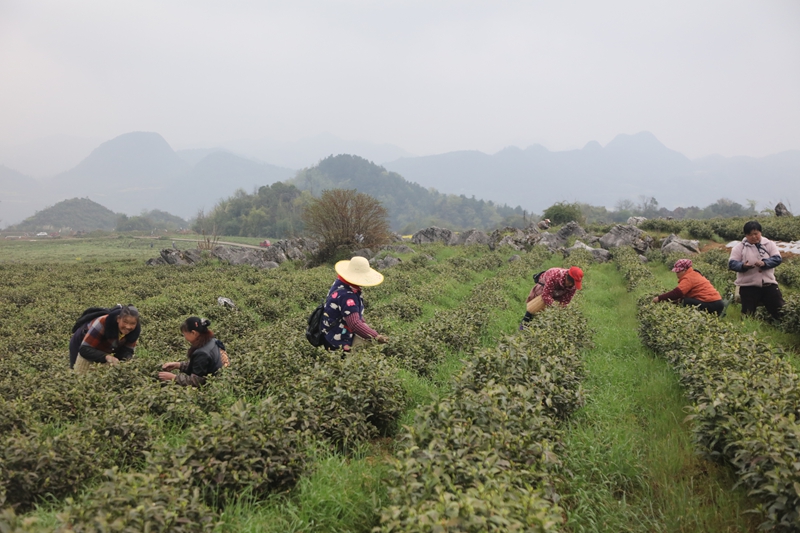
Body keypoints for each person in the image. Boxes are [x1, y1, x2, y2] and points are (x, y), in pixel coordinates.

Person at [321, 256, 388, 352]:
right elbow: (354, 324)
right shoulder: (347, 296)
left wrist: (364, 325)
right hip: (337, 339)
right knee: (371, 349)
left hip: (329, 332)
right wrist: (376, 337)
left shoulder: (339, 283)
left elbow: (350, 312)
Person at [728, 220, 785, 319]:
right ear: (745, 235)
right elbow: (732, 264)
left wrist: (765, 263)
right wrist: (743, 266)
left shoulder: (769, 244)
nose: (754, 236)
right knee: (747, 315)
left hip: (768, 284)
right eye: (750, 234)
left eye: (756, 233)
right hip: (748, 286)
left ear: (760, 233)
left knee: (780, 311)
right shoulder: (739, 248)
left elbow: (777, 259)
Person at [69, 305, 140, 374]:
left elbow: (126, 351)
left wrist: (128, 358)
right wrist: (106, 356)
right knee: (77, 372)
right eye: (125, 322)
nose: (128, 326)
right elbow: (84, 349)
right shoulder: (102, 322)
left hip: (104, 346)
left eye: (132, 323)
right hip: (83, 342)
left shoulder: (134, 331)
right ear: (118, 319)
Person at [159, 316, 229, 386]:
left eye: (184, 334)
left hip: (214, 386)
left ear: (193, 333)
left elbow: (197, 381)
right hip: (223, 378)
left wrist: (174, 378)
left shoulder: (202, 353)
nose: (185, 338)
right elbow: (203, 366)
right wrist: (179, 365)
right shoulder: (213, 341)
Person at [651, 259, 724, 314]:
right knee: (682, 300)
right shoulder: (693, 274)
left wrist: (659, 298)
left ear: (685, 270)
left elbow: (677, 293)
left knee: (685, 301)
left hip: (713, 304)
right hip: (716, 303)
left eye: (678, 272)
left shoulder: (689, 278)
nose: (677, 274)